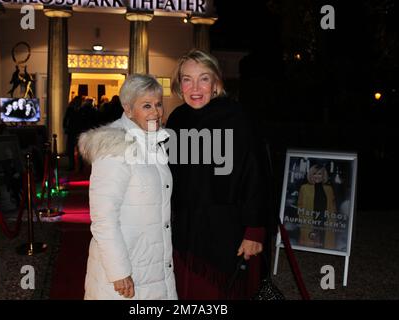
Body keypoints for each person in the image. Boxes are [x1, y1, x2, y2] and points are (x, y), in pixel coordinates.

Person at [166, 49, 269, 299]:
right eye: (187, 79)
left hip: (227, 230)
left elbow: (257, 174)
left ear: (216, 83)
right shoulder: (177, 119)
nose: (195, 87)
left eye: (204, 78)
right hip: (185, 229)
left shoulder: (237, 118)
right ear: (179, 84)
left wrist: (254, 230)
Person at [78, 74, 177, 300]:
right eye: (147, 105)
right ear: (128, 109)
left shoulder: (153, 141)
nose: (156, 112)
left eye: (159, 104)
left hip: (151, 262)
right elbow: (103, 217)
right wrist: (119, 271)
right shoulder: (116, 145)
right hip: (127, 268)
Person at [297, 163, 337, 249]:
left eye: (319, 174)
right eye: (314, 173)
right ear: (311, 175)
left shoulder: (329, 189)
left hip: (325, 221)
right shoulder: (304, 188)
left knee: (323, 243)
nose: (317, 176)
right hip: (310, 220)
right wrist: (302, 219)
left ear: (323, 176)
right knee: (309, 243)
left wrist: (333, 220)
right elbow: (299, 205)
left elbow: (333, 206)